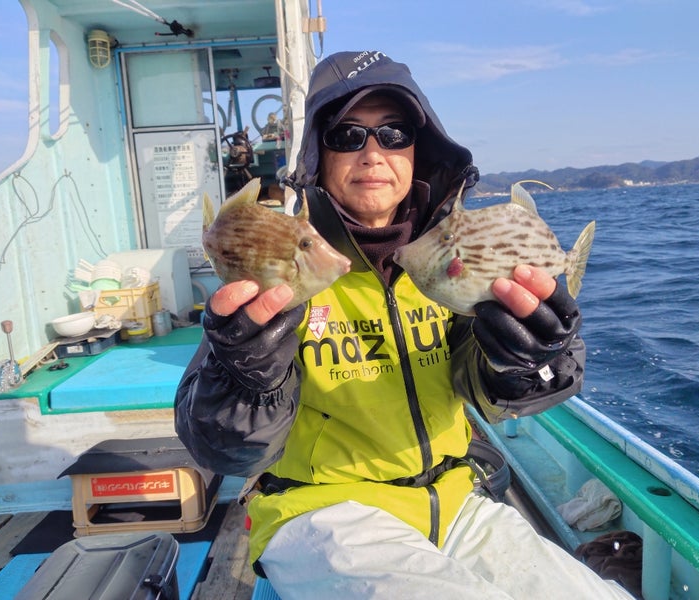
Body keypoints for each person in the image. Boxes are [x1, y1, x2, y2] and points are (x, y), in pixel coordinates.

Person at [176, 50, 633, 599]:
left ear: (420, 150)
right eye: (347, 135)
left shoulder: (454, 260)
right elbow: (224, 451)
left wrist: (529, 359)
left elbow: (497, 391)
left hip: (457, 502)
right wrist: (245, 375)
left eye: (394, 133)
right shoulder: (284, 262)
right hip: (320, 511)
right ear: (318, 154)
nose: (373, 152)